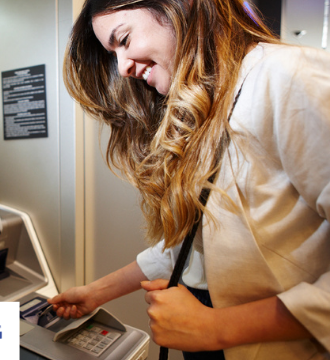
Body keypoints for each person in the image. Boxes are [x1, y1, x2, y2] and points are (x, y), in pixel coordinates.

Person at [48, 0, 330, 359]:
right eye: (112, 53)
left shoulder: (290, 78)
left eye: (124, 39)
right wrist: (97, 292)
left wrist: (216, 328)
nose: (123, 68)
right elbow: (198, 243)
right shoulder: (220, 101)